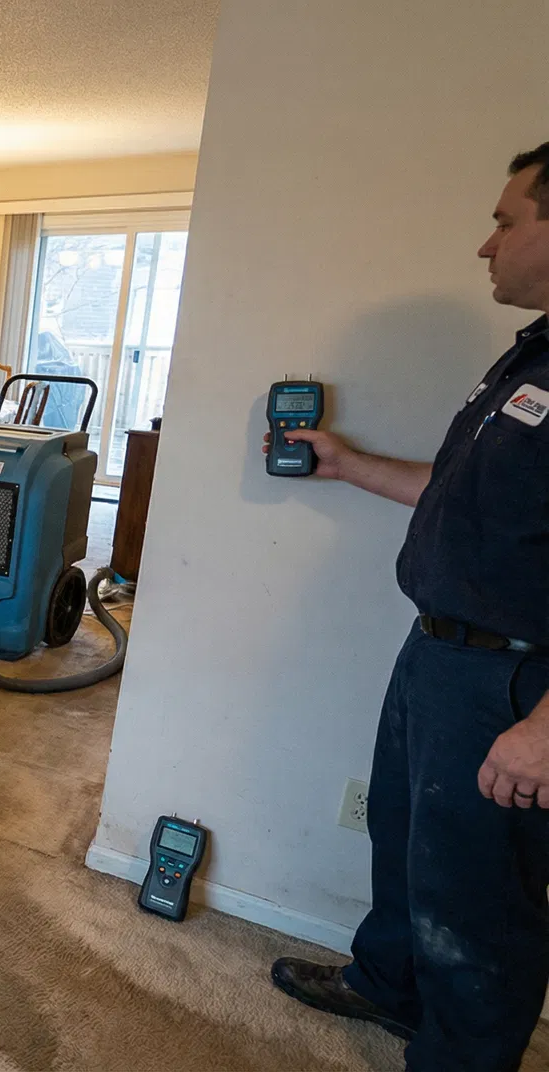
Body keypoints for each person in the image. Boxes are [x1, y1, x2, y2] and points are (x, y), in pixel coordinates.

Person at [264, 142, 549, 1070]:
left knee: (477, 900)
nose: (486, 244)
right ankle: (388, 984)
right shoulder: (529, 358)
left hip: (513, 681)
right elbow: (460, 495)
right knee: (404, 836)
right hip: (437, 654)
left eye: (506, 220)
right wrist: (346, 465)